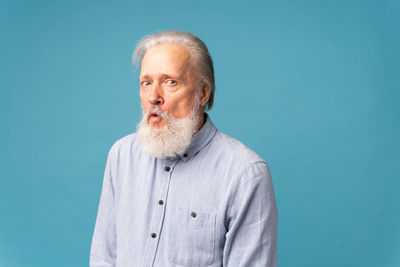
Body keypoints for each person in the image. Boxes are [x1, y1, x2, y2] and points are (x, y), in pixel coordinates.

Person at [90, 30, 277, 267]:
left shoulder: (245, 174)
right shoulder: (121, 156)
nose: (153, 97)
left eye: (171, 82)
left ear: (203, 93)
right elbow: (103, 258)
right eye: (146, 83)